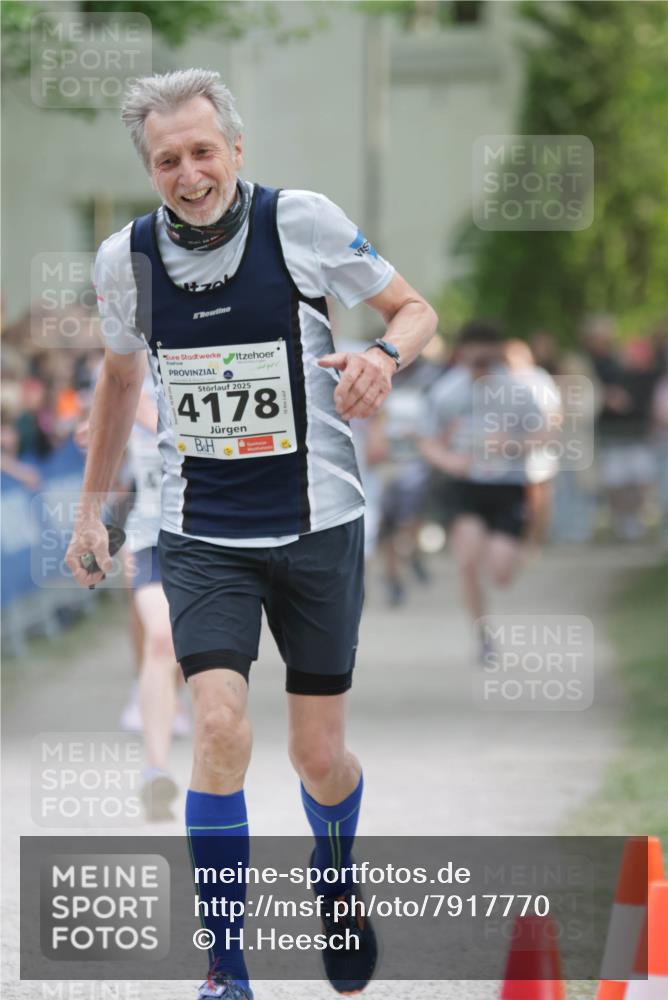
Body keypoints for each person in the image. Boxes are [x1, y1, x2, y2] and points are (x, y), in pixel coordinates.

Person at [65, 68, 437, 1000]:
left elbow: (415, 310)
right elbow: (116, 384)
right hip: (201, 530)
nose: (188, 173)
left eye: (201, 151)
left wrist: (384, 359)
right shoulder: (127, 260)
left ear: (235, 149)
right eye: (166, 160)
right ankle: (226, 965)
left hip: (318, 522)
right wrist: (90, 511)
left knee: (318, 756)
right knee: (219, 727)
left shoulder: (300, 220)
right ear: (147, 170)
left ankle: (336, 875)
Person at [420, 320, 544, 664]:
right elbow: (427, 442)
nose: (481, 365)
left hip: (506, 486)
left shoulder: (518, 390)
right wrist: (449, 460)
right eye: (475, 359)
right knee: (467, 560)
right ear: (462, 354)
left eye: (488, 359)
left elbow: (547, 433)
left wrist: (515, 444)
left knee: (501, 573)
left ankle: (515, 550)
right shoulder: (446, 392)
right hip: (464, 487)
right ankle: (482, 635)